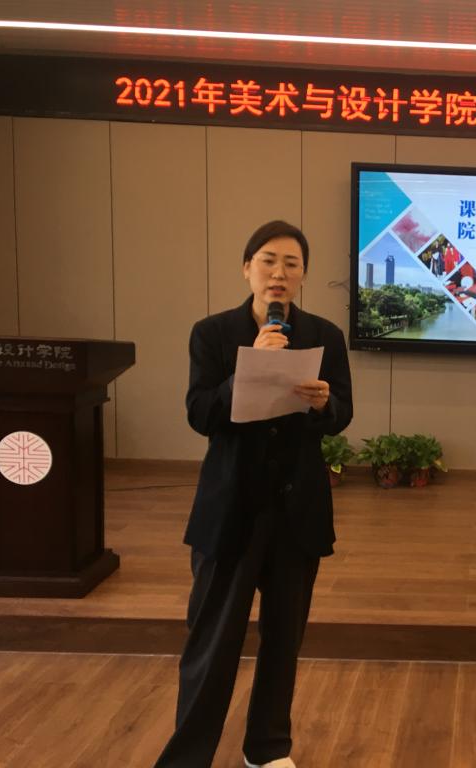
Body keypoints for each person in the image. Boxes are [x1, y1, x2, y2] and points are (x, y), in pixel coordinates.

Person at [154, 220, 353, 768]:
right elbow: (200, 414)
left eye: (291, 263)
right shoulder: (213, 333)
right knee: (212, 640)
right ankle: (188, 757)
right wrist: (248, 368)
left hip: (297, 510)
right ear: (247, 268)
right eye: (268, 260)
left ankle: (267, 749)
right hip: (230, 509)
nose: (278, 273)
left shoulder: (325, 335)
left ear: (303, 275)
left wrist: (323, 405)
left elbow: (342, 414)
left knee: (284, 640)